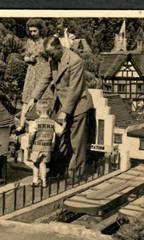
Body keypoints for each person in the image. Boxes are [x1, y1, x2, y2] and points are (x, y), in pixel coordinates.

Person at [27, 36, 93, 178]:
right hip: (63, 104)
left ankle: (76, 175)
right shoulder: (53, 60)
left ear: (59, 48)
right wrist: (33, 98)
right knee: (60, 139)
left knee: (76, 143)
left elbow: (75, 90)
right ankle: (59, 169)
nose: (49, 57)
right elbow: (45, 79)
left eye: (51, 54)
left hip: (78, 106)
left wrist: (64, 112)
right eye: (48, 55)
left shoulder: (75, 61)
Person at [17, 19, 51, 132]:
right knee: (27, 98)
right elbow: (25, 56)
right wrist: (28, 59)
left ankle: (44, 125)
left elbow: (51, 57)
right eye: (30, 31)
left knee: (43, 97)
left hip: (43, 71)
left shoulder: (46, 41)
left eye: (34, 31)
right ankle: (21, 125)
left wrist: (41, 56)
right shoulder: (29, 42)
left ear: (40, 30)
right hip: (31, 72)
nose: (32, 33)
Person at [27, 104, 61, 187]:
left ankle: (35, 180)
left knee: (35, 163)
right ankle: (44, 181)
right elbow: (59, 132)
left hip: (36, 146)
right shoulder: (53, 123)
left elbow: (31, 134)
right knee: (43, 163)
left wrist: (30, 144)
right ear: (49, 112)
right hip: (47, 147)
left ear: (38, 112)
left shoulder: (36, 122)